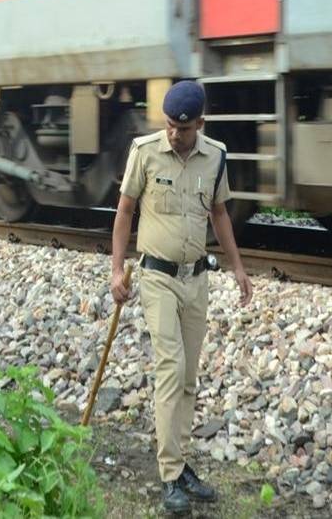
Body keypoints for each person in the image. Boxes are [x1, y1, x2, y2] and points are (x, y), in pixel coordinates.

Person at [110, 80, 254, 515]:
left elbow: (220, 213)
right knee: (171, 368)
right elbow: (124, 211)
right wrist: (117, 269)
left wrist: (238, 266)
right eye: (171, 125)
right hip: (156, 277)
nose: (175, 134)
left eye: (184, 129)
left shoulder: (216, 156)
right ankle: (170, 473)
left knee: (189, 376)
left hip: (197, 281)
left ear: (200, 125)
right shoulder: (145, 151)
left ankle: (181, 459)